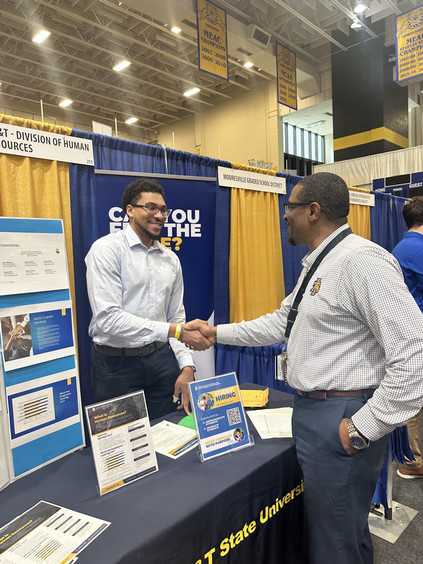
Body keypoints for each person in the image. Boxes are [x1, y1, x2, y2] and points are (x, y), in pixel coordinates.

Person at [183, 172, 423, 564]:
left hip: (342, 415)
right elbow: (281, 322)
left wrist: (363, 428)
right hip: (319, 411)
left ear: (313, 211)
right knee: (343, 532)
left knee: (333, 542)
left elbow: (415, 351)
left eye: (289, 207)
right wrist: (216, 333)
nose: (284, 216)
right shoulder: (322, 262)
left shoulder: (361, 261)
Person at [85, 178, 210, 420]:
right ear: (130, 210)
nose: (159, 215)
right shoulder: (106, 250)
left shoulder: (170, 259)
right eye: (151, 207)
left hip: (162, 361)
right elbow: (108, 319)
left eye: (163, 210)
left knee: (167, 433)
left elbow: (176, 317)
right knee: (122, 440)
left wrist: (187, 366)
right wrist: (174, 331)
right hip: (116, 366)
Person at [392, 196, 423, 479]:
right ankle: (411, 462)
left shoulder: (403, 246)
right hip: (415, 333)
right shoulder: (416, 249)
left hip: (409, 332)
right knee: (413, 397)